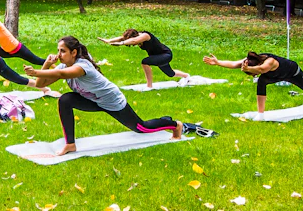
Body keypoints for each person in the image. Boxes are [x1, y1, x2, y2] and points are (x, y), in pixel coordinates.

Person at [24, 36, 184, 156]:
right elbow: (39, 84)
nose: (59, 55)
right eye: (58, 51)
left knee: (141, 128)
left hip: (112, 102)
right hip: (92, 100)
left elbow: (61, 74)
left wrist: (36, 71)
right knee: (65, 100)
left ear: (74, 52)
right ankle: (70, 144)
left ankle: (175, 125)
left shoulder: (82, 66)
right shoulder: (63, 66)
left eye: (63, 51)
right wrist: (46, 64)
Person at [203, 51, 303, 113]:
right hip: (274, 76)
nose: (253, 75)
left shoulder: (269, 61)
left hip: (292, 73)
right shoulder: (250, 61)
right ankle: (261, 113)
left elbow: (261, 69)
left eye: (253, 74)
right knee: (261, 82)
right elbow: (234, 64)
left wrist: (249, 69)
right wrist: (218, 62)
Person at [98, 29, 190, 88]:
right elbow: (122, 38)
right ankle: (186, 76)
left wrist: (121, 44)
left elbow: (133, 40)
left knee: (145, 62)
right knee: (170, 73)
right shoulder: (135, 36)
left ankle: (149, 86)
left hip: (165, 55)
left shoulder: (145, 35)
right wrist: (108, 40)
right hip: (157, 56)